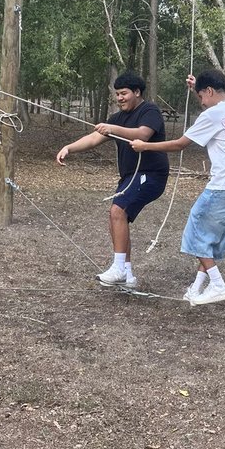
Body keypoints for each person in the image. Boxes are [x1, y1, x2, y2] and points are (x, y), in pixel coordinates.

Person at [132, 69, 225, 306]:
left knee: (195, 233)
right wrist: (198, 86)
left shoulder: (211, 116)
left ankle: (217, 284)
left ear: (209, 91)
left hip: (221, 187)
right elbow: (216, 103)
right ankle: (196, 288)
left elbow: (180, 144)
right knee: (209, 238)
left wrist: (145, 146)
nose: (201, 102)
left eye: (201, 96)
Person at [56, 71, 169, 288]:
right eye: (117, 94)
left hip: (151, 174)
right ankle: (126, 273)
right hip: (130, 176)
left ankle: (118, 269)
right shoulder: (117, 118)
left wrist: (112, 129)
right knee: (117, 217)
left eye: (124, 93)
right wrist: (69, 148)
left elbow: (142, 134)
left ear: (137, 92)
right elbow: (93, 138)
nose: (120, 98)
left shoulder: (150, 110)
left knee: (118, 210)